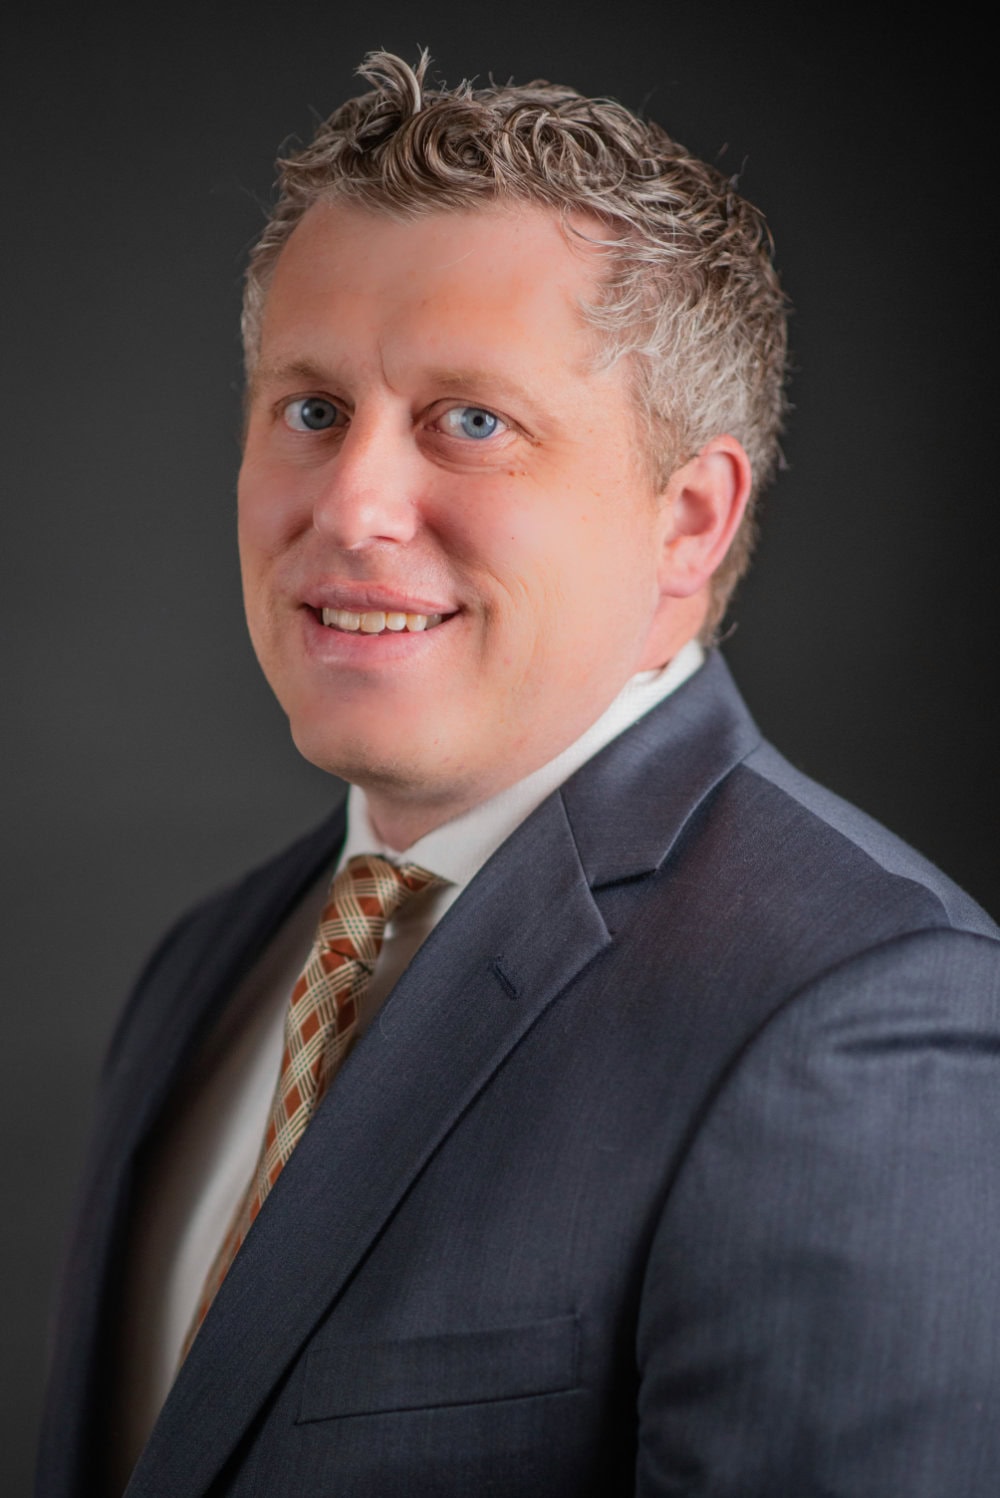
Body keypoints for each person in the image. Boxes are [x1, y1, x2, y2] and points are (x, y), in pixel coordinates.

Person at [38, 49, 1000, 1498]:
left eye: (469, 421)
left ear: (687, 519)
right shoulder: (208, 970)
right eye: (310, 408)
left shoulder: (861, 1017)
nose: (353, 503)